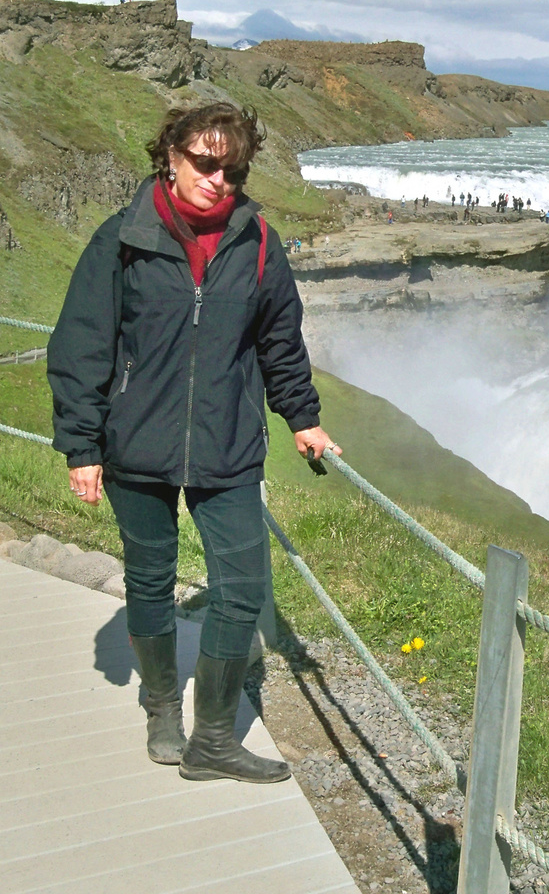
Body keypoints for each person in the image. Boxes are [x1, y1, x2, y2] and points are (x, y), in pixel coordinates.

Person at [47, 102, 341, 785]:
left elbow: (279, 341)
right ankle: (161, 713)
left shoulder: (258, 242)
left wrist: (302, 417)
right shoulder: (121, 239)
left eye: (232, 169)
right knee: (148, 578)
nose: (219, 180)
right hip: (135, 442)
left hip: (227, 443)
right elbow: (82, 344)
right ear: (171, 158)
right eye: (206, 164)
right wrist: (82, 445)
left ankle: (212, 738)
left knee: (242, 587)